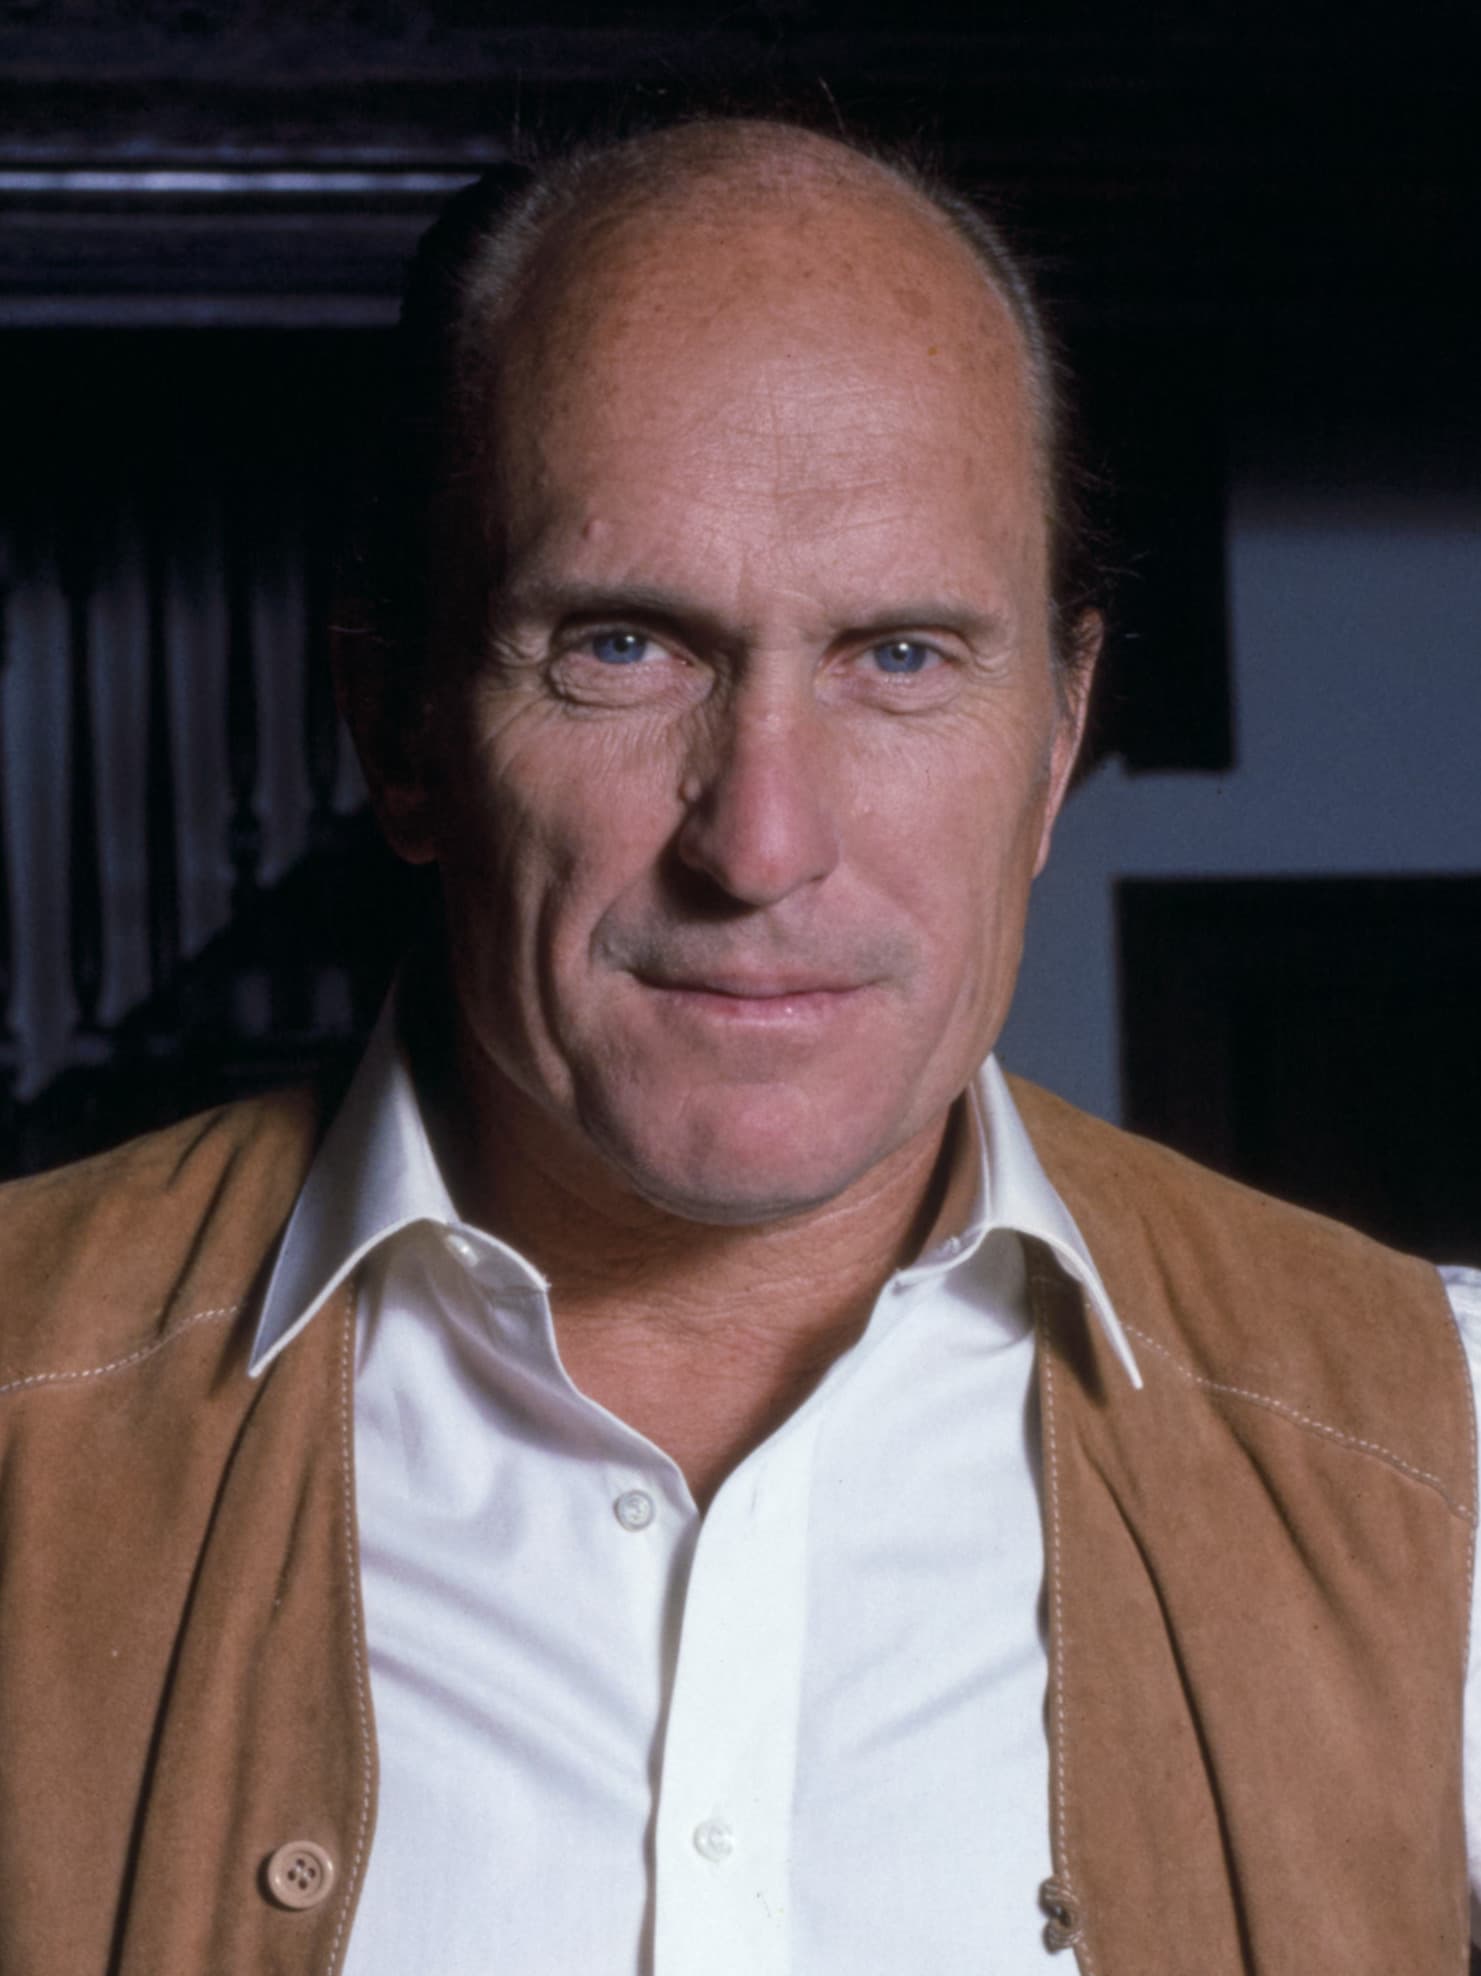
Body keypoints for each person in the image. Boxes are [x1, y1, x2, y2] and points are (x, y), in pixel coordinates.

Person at [0, 114, 1476, 1975]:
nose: (760, 843)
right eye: (623, 648)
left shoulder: (1445, 1449)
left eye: (903, 658)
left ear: (1053, 739)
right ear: (398, 729)